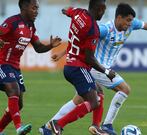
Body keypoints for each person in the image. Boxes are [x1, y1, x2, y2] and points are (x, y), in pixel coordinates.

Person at [41, 3, 147, 135]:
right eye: (127, 20)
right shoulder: (104, 29)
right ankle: (106, 125)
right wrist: (62, 53)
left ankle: (47, 127)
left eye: (131, 21)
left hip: (97, 68)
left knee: (79, 100)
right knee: (124, 89)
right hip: (97, 67)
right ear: (118, 17)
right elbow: (83, 41)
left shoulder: (132, 25)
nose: (129, 24)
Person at [39, 0, 115, 135]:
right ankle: (57, 123)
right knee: (94, 101)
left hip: (70, 65)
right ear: (100, 8)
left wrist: (66, 11)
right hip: (78, 68)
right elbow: (89, 58)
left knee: (98, 91)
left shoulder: (78, 12)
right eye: (104, 10)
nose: (104, 13)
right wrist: (106, 71)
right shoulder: (93, 29)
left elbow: (66, 9)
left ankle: (95, 126)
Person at [0, 0, 62, 135]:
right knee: (14, 90)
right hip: (2, 63)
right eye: (34, 8)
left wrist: (50, 46)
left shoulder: (31, 26)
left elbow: (38, 47)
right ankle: (19, 128)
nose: (36, 11)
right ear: (24, 7)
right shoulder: (12, 22)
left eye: (37, 8)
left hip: (15, 67)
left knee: (19, 103)